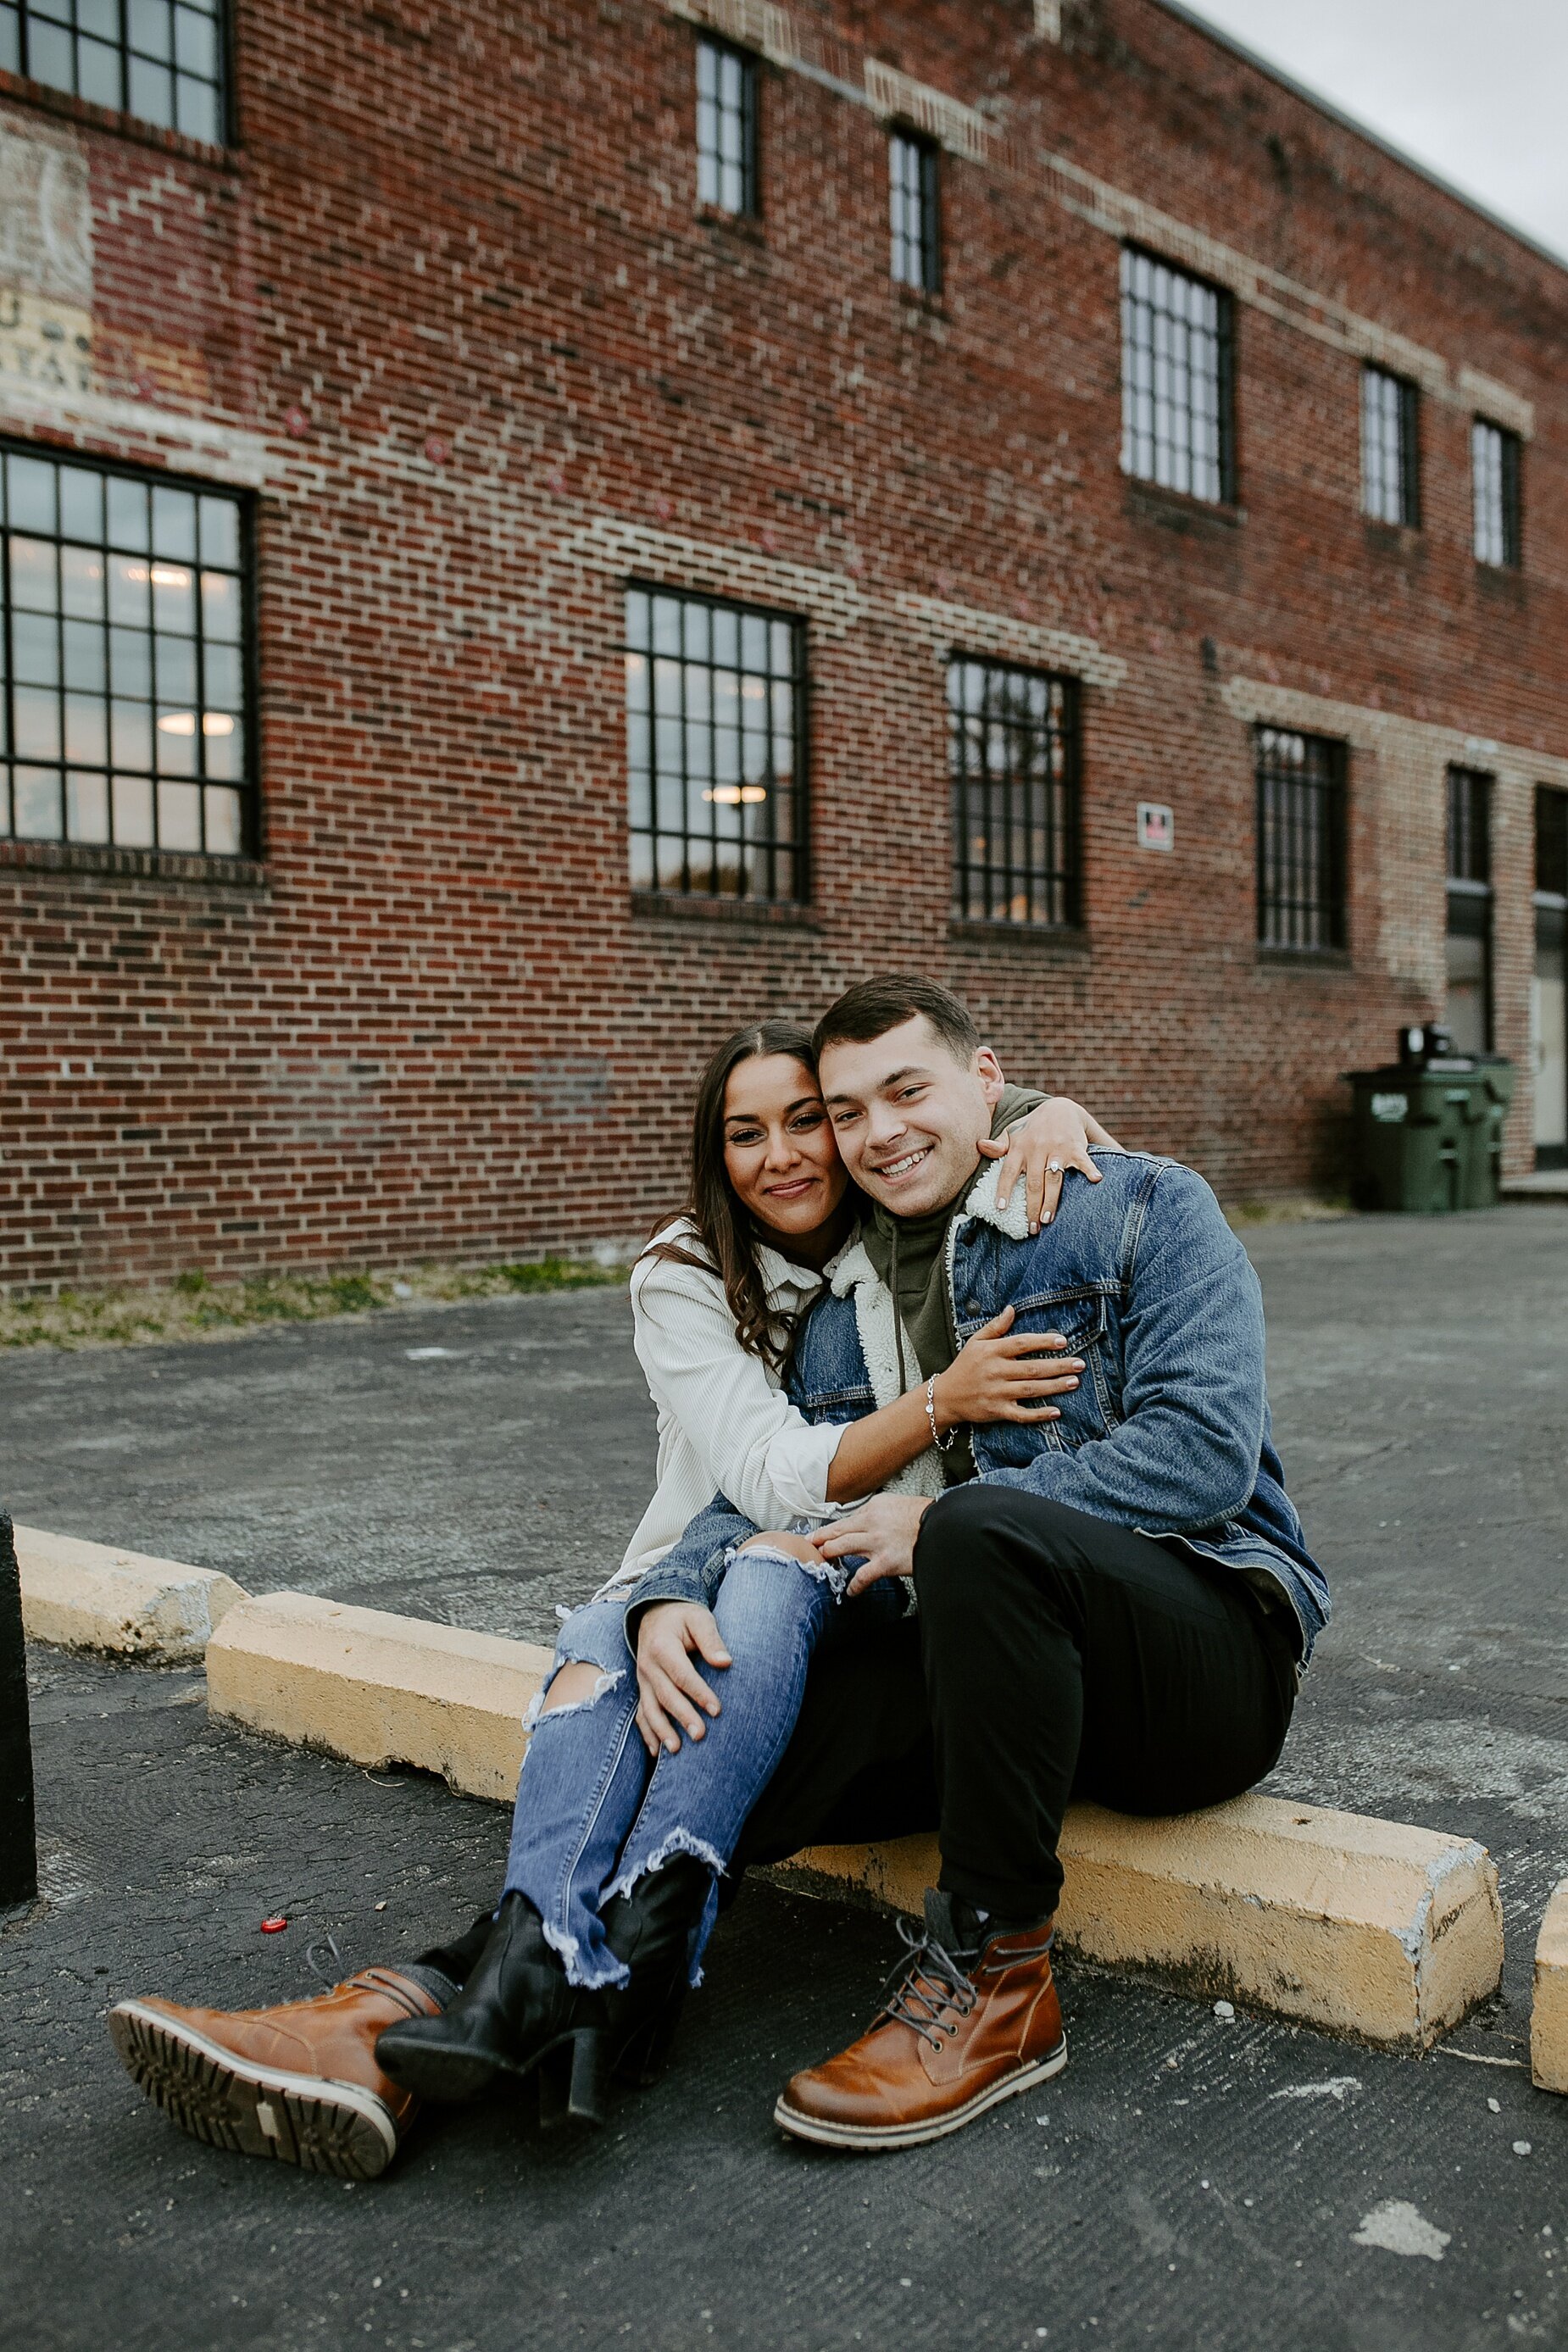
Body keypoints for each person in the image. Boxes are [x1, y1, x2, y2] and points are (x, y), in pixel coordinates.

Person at [108, 1018, 1117, 2177]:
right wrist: (927, 1411)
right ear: (711, 1152)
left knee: (745, 1608)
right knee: (619, 1639)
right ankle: (529, 1992)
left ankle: (443, 2005)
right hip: (711, 1574)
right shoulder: (688, 1275)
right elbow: (767, 1480)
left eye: (809, 1122)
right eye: (746, 1133)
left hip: (855, 1591)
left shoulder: (900, 1233)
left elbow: (945, 1113)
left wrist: (1045, 1110)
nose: (788, 1153)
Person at [728, 975, 1327, 2151]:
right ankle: (547, 1972)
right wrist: (660, 1610)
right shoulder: (834, 1295)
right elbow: (775, 1483)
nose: (879, 1130)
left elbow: (1202, 1454)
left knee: (970, 1528)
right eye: (846, 1112)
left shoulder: (1139, 1204)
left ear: (987, 1082)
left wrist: (944, 1518)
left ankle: (999, 1984)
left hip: (1197, 1662)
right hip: (998, 1676)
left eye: (908, 1090)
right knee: (753, 1730)